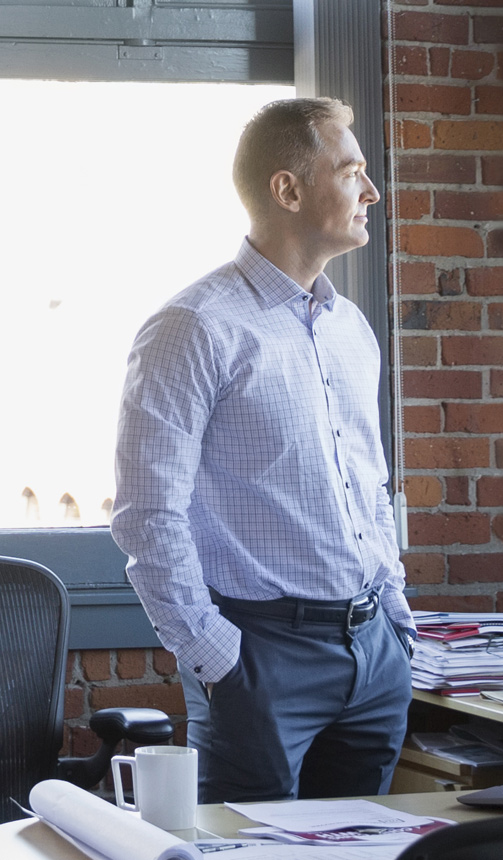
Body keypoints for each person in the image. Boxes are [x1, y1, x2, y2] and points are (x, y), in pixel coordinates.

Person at [111, 97, 414, 803]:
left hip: (373, 652)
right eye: (352, 172)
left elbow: (370, 488)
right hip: (259, 654)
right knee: (249, 849)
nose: (372, 192)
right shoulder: (193, 327)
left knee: (363, 851)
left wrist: (396, 622)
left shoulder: (350, 328)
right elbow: (148, 514)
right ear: (288, 190)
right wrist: (216, 656)